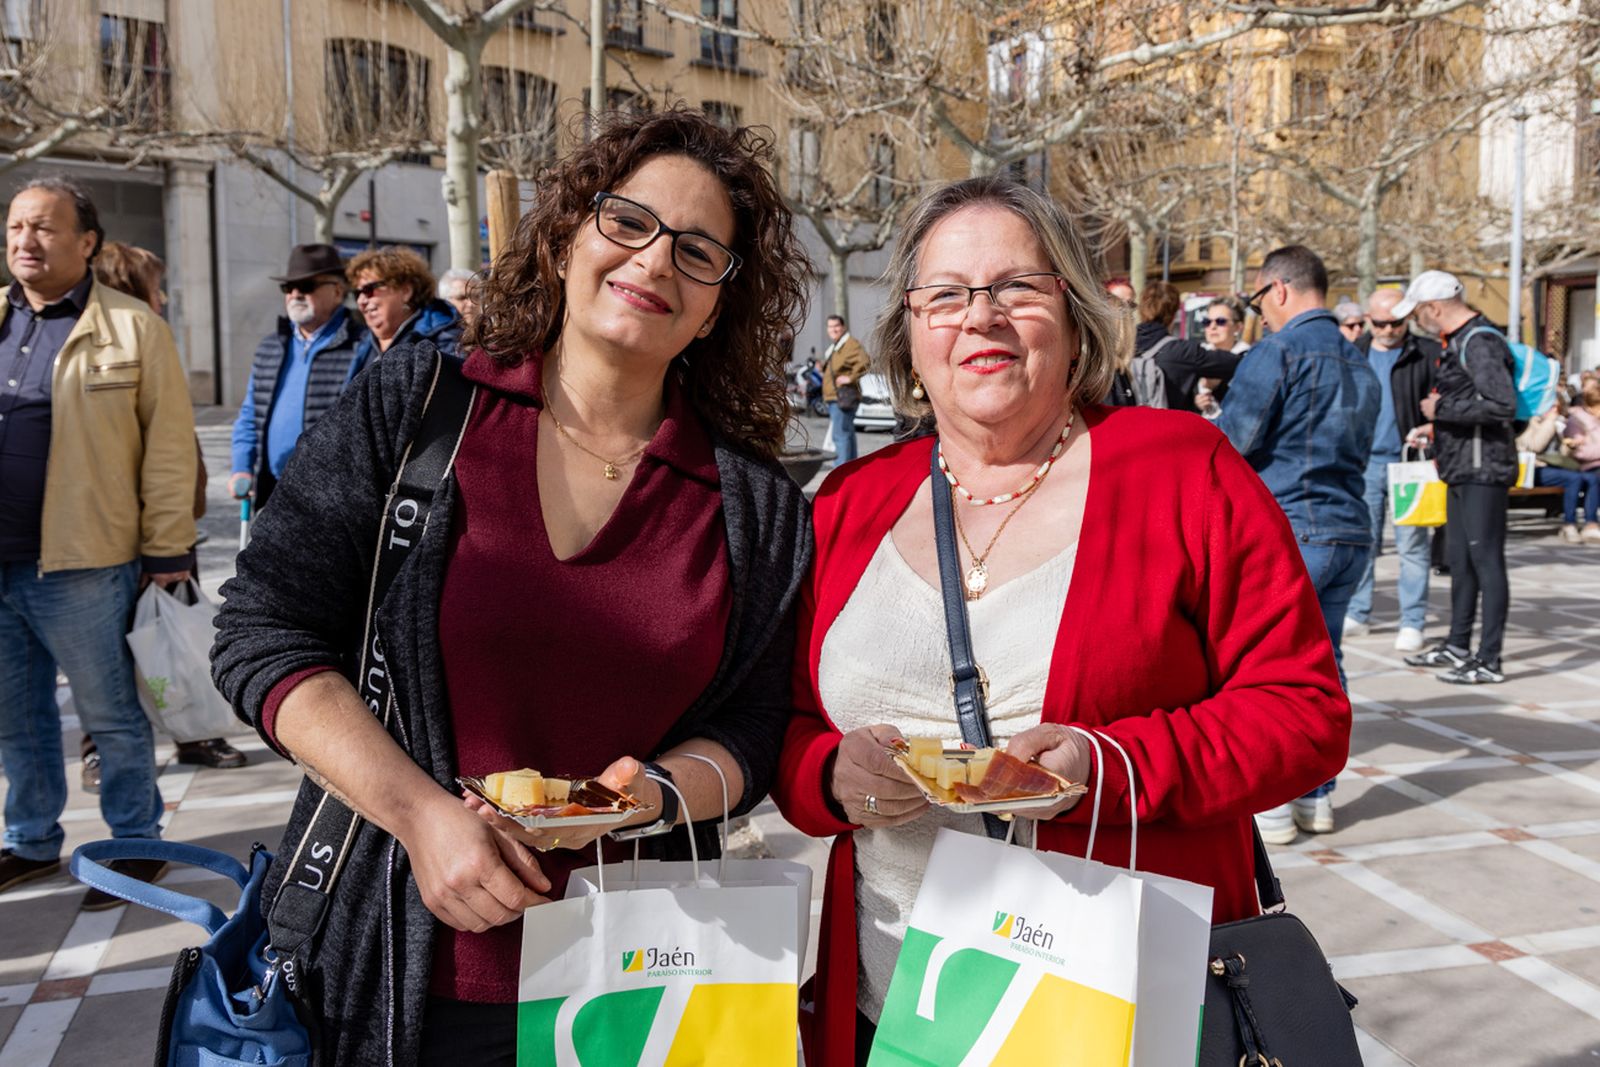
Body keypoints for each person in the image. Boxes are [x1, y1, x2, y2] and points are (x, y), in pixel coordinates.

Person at [211, 108, 812, 1065]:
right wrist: (420, 817)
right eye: (629, 222)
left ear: (720, 302)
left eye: (699, 251)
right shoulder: (421, 407)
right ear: (570, 232)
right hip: (400, 967)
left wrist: (656, 792)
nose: (654, 262)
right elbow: (262, 632)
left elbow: (753, 722)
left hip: (639, 982)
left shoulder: (753, 503)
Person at [772, 177, 1350, 1066]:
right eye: (948, 294)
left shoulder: (1180, 471)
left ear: (1075, 315)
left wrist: (1111, 762)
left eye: (1017, 288)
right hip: (894, 1014)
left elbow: (1304, 712)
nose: (982, 317)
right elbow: (785, 717)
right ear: (910, 332)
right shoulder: (848, 500)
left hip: (1117, 1012)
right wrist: (824, 774)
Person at [0, 177, 196, 903]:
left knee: (110, 713)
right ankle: (30, 838)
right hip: (4, 558)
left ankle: (135, 842)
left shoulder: (132, 327)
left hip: (87, 563)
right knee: (15, 718)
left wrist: (168, 548)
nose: (26, 240)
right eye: (17, 225)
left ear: (87, 243)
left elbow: (170, 446)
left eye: (44, 227)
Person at [1201, 245, 1379, 842]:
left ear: (1277, 290)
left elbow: (1233, 441)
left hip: (1292, 526)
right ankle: (1317, 799)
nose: (1260, 313)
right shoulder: (1360, 359)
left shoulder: (1279, 350)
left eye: (1257, 301)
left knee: (1264, 670)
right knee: (1325, 666)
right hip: (1351, 528)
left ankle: (1274, 803)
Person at [87, 242, 245, 775]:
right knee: (119, 648)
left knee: (172, 636)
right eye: (156, 286)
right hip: (133, 530)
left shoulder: (149, 339)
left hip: (166, 526)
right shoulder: (120, 341)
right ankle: (108, 748)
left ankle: (191, 733)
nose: (165, 297)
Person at [1397, 270, 1517, 685]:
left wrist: (1440, 411)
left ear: (1434, 308)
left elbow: (1503, 405)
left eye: (1417, 313)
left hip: (1484, 469)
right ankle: (1458, 644)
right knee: (1461, 562)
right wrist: (1437, 426)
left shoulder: (1480, 341)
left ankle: (1490, 658)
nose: (1416, 322)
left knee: (1486, 561)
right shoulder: (1462, 341)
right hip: (1462, 464)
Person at [230, 244, 369, 511]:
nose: (295, 294)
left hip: (329, 497)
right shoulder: (271, 346)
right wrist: (242, 466)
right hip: (273, 490)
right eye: (288, 287)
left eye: (306, 286)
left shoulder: (360, 346)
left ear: (337, 291)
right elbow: (250, 412)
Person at [1343, 288, 1440, 653]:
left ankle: (1412, 620)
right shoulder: (1354, 352)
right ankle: (1358, 611)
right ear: (1368, 319)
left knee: (1412, 546)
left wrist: (1432, 426)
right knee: (1362, 543)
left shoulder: (1426, 353)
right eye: (1379, 322)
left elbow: (1444, 402)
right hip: (1363, 462)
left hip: (1409, 463)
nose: (1387, 330)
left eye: (1395, 322)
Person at [348, 245, 464, 368]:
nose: (361, 301)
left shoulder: (444, 339)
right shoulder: (363, 344)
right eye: (357, 293)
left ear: (405, 291)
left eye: (369, 290)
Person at [1522, 396, 1600, 543]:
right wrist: (1550, 423)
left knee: (1591, 478)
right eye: (1551, 407)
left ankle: (1591, 523)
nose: (1555, 411)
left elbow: (1561, 456)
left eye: (1557, 408)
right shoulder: (1532, 422)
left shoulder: (1558, 424)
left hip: (1556, 467)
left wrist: (1570, 444)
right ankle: (1569, 524)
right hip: (1533, 468)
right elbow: (1535, 446)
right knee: (1574, 478)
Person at [820, 314, 869, 463]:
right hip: (836, 397)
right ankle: (851, 468)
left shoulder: (850, 344)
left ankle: (841, 471)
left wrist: (850, 378)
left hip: (841, 397)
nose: (833, 329)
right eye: (830, 326)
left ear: (843, 327)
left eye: (836, 326)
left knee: (840, 435)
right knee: (847, 434)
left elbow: (865, 361)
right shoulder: (837, 346)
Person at [1559, 378, 1600, 542]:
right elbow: (1580, 453)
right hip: (1584, 465)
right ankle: (1590, 523)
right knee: (1595, 478)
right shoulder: (1577, 421)